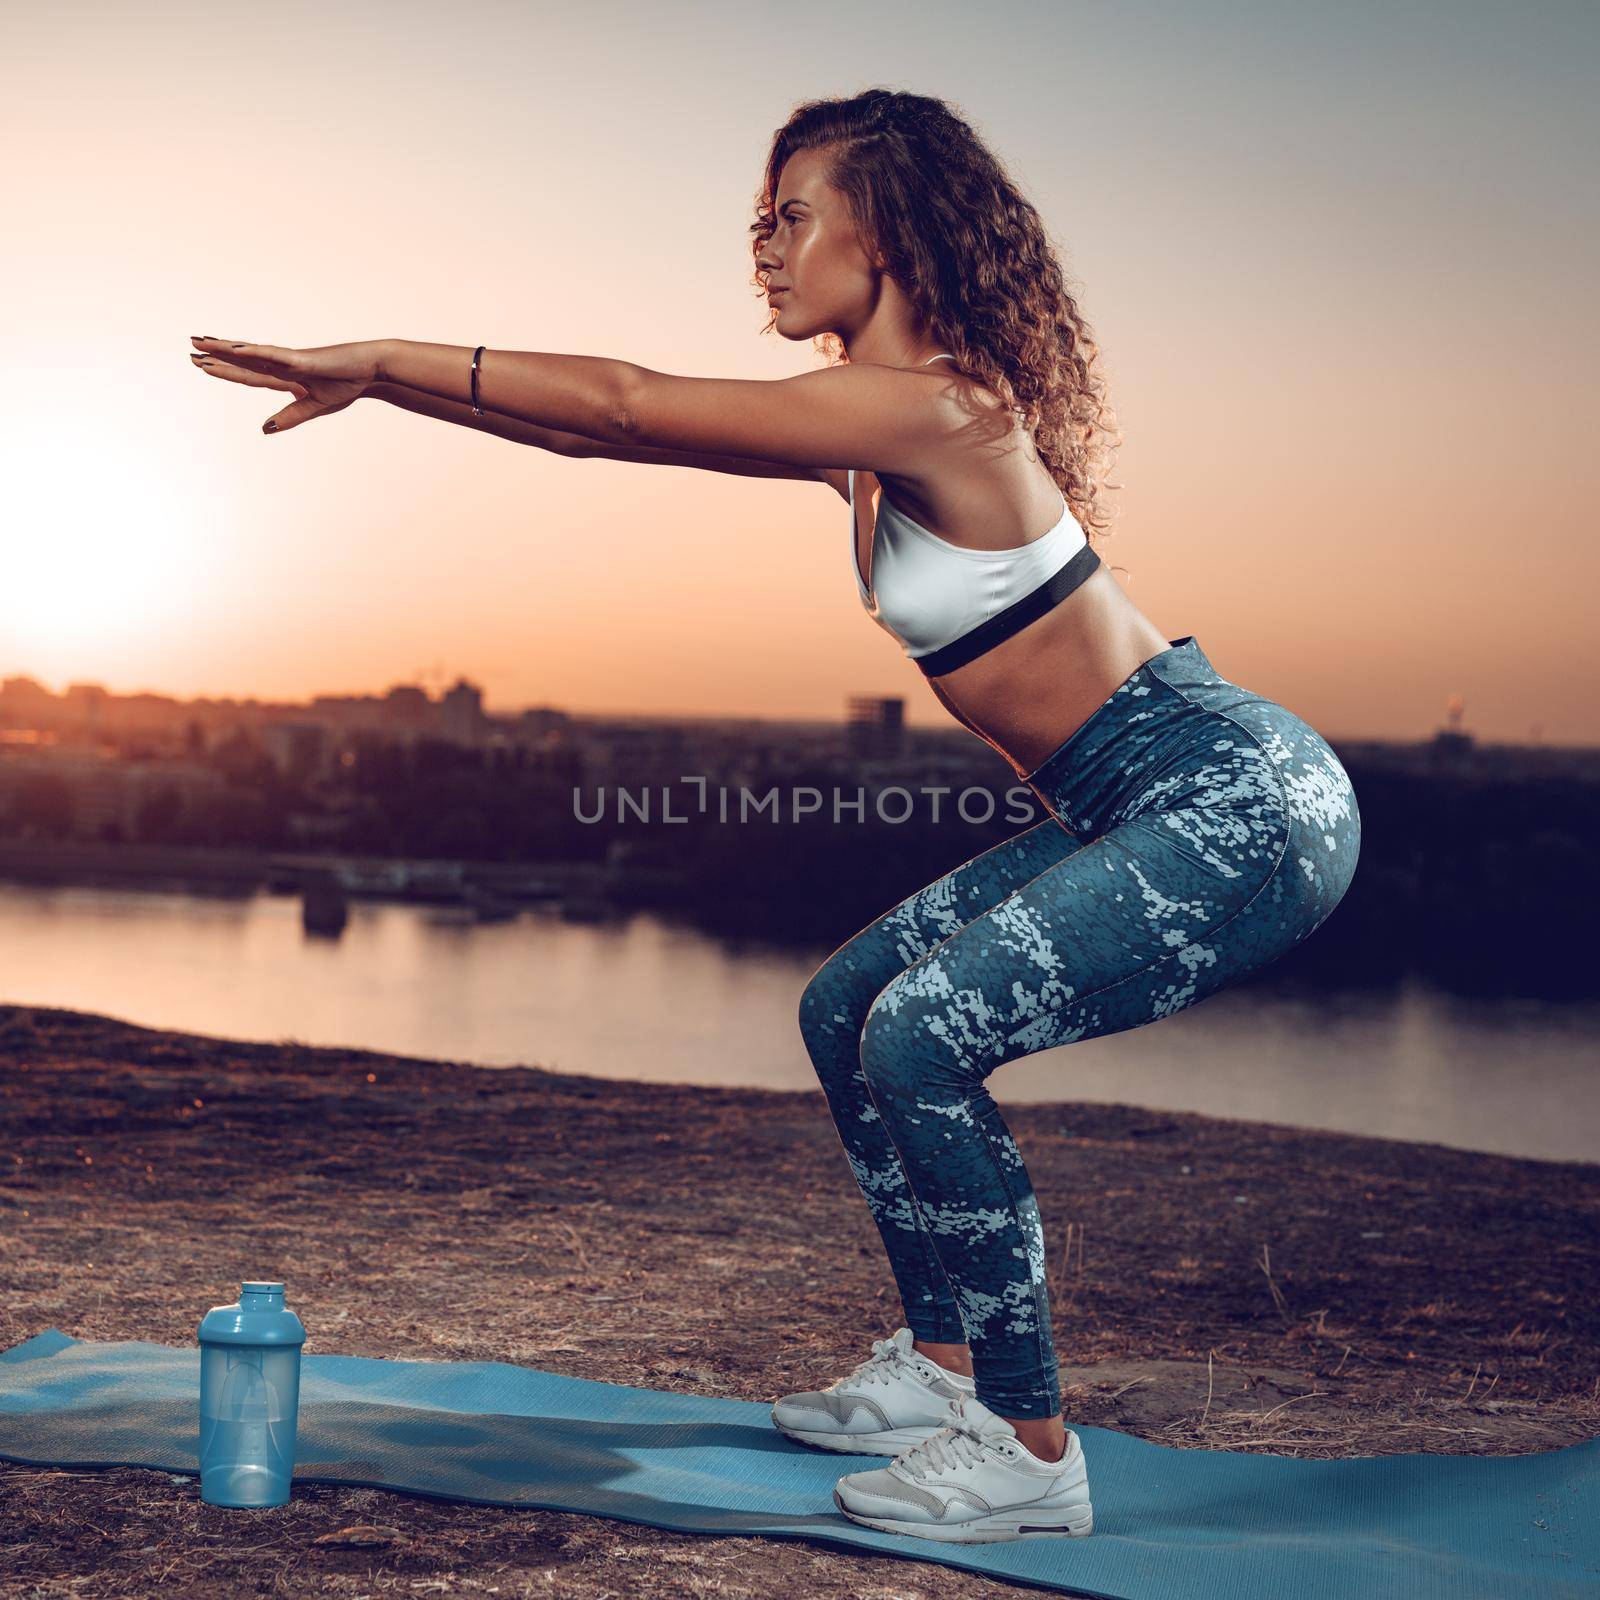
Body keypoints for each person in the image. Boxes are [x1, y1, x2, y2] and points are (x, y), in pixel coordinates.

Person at [188, 85, 1361, 1546]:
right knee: (845, 1007)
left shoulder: (937, 406)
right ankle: (940, 1371)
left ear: (896, 231)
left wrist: (371, 347)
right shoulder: (863, 435)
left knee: (923, 1036)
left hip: (1235, 797)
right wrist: (383, 388)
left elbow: (619, 402)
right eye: (761, 218)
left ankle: (1027, 1441)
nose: (766, 245)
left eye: (794, 214)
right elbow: (595, 438)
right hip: (1141, 792)